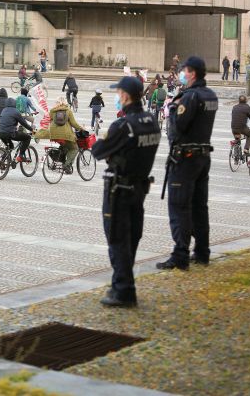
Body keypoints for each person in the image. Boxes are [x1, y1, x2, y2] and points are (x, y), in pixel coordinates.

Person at [91, 76, 160, 307]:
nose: (117, 97)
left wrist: (105, 147)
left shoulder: (123, 125)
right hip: (139, 188)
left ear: (126, 96)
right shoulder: (151, 121)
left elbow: (99, 151)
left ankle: (123, 291)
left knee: (118, 239)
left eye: (119, 93)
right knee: (132, 238)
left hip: (118, 190)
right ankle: (121, 284)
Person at [157, 56, 217, 271]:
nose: (182, 74)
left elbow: (177, 129)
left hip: (186, 157)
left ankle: (180, 254)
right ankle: (202, 252)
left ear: (191, 73)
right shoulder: (210, 95)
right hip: (203, 156)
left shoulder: (190, 97)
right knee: (200, 206)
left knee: (180, 205)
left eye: (184, 71)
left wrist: (172, 109)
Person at [35, 97, 84, 174]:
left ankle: (60, 159)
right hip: (66, 135)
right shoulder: (68, 110)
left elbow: (50, 121)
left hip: (53, 134)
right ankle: (67, 165)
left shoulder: (52, 111)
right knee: (74, 148)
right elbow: (73, 123)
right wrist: (81, 128)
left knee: (64, 146)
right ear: (65, 102)